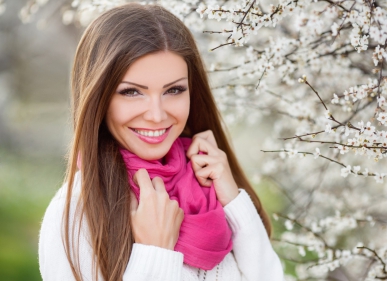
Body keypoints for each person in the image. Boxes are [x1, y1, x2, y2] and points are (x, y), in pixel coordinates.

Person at [38, 3, 284, 281]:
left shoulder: (208, 184)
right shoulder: (75, 214)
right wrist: (154, 252)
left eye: (174, 90)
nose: (157, 115)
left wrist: (234, 202)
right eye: (131, 92)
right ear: (99, 98)